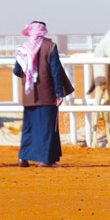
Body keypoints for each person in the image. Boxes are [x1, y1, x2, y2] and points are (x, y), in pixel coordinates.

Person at [14, 21, 74, 167]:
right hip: (47, 94)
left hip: (30, 95)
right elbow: (55, 70)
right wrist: (59, 92)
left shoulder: (23, 48)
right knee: (47, 127)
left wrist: (29, 76)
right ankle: (45, 160)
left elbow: (16, 70)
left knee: (30, 127)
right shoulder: (50, 46)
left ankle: (23, 158)